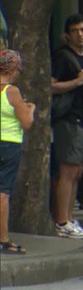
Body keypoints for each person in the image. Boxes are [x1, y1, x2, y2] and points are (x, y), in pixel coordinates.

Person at [50, 13, 83, 239]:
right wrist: (76, 82)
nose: (80, 34)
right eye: (75, 30)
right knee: (67, 170)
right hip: (70, 120)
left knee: (78, 170)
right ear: (67, 34)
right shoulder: (63, 57)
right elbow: (51, 86)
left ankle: (70, 217)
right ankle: (61, 220)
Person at [1, 50, 36, 254]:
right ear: (14, 69)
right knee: (3, 193)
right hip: (9, 143)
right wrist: (29, 108)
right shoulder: (12, 91)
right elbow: (26, 122)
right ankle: (3, 239)